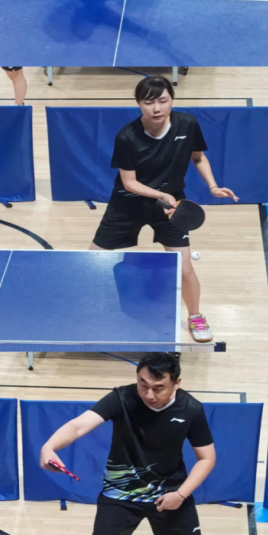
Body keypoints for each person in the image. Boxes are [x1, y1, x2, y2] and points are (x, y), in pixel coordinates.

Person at [40, 352, 219, 535]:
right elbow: (78, 425)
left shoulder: (190, 408)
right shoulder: (121, 398)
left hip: (170, 492)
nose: (149, 394)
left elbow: (207, 458)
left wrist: (181, 494)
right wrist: (49, 447)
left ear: (176, 383)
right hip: (120, 491)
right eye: (142, 384)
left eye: (158, 387)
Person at [89, 75, 239, 343]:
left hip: (171, 206)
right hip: (128, 203)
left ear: (172, 100)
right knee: (92, 260)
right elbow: (129, 182)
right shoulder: (127, 136)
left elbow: (198, 157)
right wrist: (161, 194)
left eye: (163, 100)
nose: (156, 108)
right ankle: (84, 307)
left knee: (184, 269)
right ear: (138, 104)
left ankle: (195, 316)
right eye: (149, 102)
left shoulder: (187, 124)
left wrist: (213, 186)